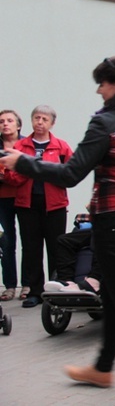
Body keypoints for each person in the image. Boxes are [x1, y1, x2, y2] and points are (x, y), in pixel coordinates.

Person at [0, 56, 115, 406]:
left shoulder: (105, 123)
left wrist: (23, 162)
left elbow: (69, 174)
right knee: (113, 297)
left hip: (114, 224)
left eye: (103, 83)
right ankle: (102, 368)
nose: (99, 89)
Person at [4, 105, 73, 308]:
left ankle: (55, 290)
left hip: (55, 205)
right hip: (27, 205)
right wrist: (30, 167)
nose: (40, 122)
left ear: (52, 123)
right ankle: (35, 291)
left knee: (56, 248)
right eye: (36, 118)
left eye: (44, 119)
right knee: (31, 248)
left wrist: (45, 169)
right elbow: (11, 177)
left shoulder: (61, 146)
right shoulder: (21, 146)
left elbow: (71, 174)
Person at [43, 211, 102, 294]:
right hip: (99, 227)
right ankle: (66, 281)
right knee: (64, 240)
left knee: (100, 238)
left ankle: (94, 280)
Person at [0, 109, 24, 301]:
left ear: (18, 125)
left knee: (29, 241)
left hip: (24, 197)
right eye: (2, 121)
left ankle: (28, 284)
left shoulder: (26, 145)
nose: (5, 124)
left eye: (9, 120)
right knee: (7, 241)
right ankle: (9, 286)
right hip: (2, 198)